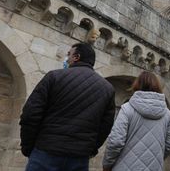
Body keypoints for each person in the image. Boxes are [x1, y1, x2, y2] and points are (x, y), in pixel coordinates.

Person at [20, 42, 116, 171]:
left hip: (46, 150)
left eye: (69, 55)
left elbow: (30, 114)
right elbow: (105, 126)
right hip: (79, 157)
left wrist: (28, 146)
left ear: (76, 57)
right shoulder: (107, 88)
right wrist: (90, 149)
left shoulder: (54, 77)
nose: (67, 58)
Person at [102, 71, 170, 171]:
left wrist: (107, 165)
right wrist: (155, 158)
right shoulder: (167, 114)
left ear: (137, 85)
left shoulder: (127, 108)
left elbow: (116, 141)